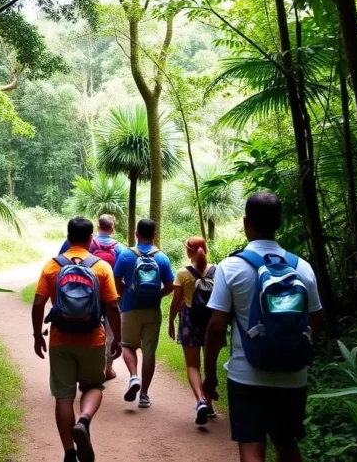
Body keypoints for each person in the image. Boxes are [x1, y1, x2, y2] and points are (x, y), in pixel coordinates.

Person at [203, 192, 324, 462]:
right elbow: (316, 321)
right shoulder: (302, 267)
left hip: (247, 375)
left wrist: (209, 374)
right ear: (279, 223)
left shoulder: (230, 267)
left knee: (251, 445)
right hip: (293, 374)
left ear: (246, 222)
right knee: (286, 442)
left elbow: (216, 327)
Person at [33, 216, 123, 462]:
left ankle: (69, 453)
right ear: (91, 239)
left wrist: (36, 336)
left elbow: (39, 303)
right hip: (93, 339)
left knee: (64, 396)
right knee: (94, 386)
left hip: (61, 340)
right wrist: (118, 338)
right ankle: (83, 420)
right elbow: (112, 307)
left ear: (68, 237)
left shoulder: (52, 266)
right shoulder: (101, 267)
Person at [112, 218, 174, 409]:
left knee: (127, 345)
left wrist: (125, 294)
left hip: (131, 309)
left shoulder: (125, 255)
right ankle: (145, 395)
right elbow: (171, 285)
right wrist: (158, 295)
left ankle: (133, 377)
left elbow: (115, 280)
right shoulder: (162, 258)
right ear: (154, 235)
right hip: (152, 311)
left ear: (137, 233)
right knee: (149, 352)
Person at [59, 214, 125, 379]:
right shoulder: (120, 248)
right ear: (113, 228)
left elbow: (62, 262)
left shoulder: (84, 242)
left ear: (98, 226)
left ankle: (78, 365)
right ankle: (107, 369)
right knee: (109, 332)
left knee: (84, 323)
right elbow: (121, 276)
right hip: (109, 294)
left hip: (83, 292)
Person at [167, 235, 218, 425]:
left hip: (190, 323)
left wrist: (171, 321)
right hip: (212, 323)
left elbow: (176, 301)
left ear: (189, 251)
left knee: (192, 365)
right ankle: (210, 404)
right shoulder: (218, 271)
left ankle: (200, 401)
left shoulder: (183, 273)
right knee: (210, 363)